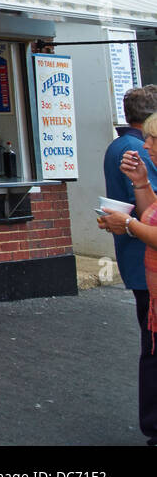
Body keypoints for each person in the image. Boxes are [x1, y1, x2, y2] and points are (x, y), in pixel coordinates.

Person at [98, 94, 157, 447]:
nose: (144, 143)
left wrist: (130, 225)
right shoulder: (134, 153)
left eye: (151, 139)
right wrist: (140, 183)